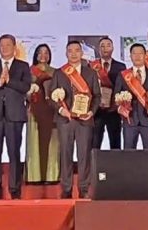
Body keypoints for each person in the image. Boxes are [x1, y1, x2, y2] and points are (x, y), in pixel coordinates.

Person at [0, 34, 32, 200]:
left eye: (8, 45)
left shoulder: (23, 66)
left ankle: (15, 189)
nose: (4, 48)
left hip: (14, 115)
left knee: (14, 152)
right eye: (2, 45)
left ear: (14, 47)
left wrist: (9, 81)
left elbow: (26, 87)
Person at [49, 41, 100, 199]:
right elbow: (51, 96)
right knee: (65, 154)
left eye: (77, 50)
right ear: (66, 53)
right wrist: (61, 110)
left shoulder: (90, 73)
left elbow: (97, 96)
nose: (73, 54)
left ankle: (84, 188)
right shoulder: (59, 73)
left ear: (82, 53)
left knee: (84, 155)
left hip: (85, 120)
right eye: (70, 51)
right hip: (65, 120)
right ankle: (66, 188)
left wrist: (91, 112)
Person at [114, 44, 148, 150]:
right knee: (128, 154)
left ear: (145, 55)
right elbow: (115, 97)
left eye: (140, 53)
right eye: (134, 53)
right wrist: (120, 108)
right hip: (130, 121)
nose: (137, 56)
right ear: (130, 56)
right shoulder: (123, 75)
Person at [26, 44, 59, 184]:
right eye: (40, 52)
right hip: (34, 110)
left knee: (53, 142)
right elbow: (23, 90)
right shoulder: (29, 71)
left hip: (51, 110)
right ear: (36, 55)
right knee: (34, 142)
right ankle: (34, 176)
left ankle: (52, 175)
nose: (43, 55)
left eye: (46, 52)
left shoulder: (56, 72)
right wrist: (30, 93)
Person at [91, 37, 125, 150]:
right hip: (97, 111)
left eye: (108, 45)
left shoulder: (121, 67)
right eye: (102, 46)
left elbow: (123, 88)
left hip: (114, 111)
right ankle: (94, 163)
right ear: (98, 49)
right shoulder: (92, 66)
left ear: (113, 48)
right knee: (95, 144)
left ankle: (115, 163)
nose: (105, 48)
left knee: (115, 144)